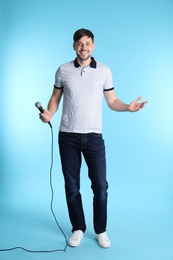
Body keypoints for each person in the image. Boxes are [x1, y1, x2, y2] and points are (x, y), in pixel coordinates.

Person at [39, 28, 147, 248]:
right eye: (79, 43)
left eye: (88, 43)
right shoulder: (63, 70)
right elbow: (55, 99)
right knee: (72, 186)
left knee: (100, 186)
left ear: (94, 46)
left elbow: (112, 101)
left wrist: (128, 107)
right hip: (67, 135)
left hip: (94, 137)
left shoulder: (104, 71)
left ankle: (101, 230)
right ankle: (78, 228)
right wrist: (49, 113)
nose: (84, 47)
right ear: (74, 46)